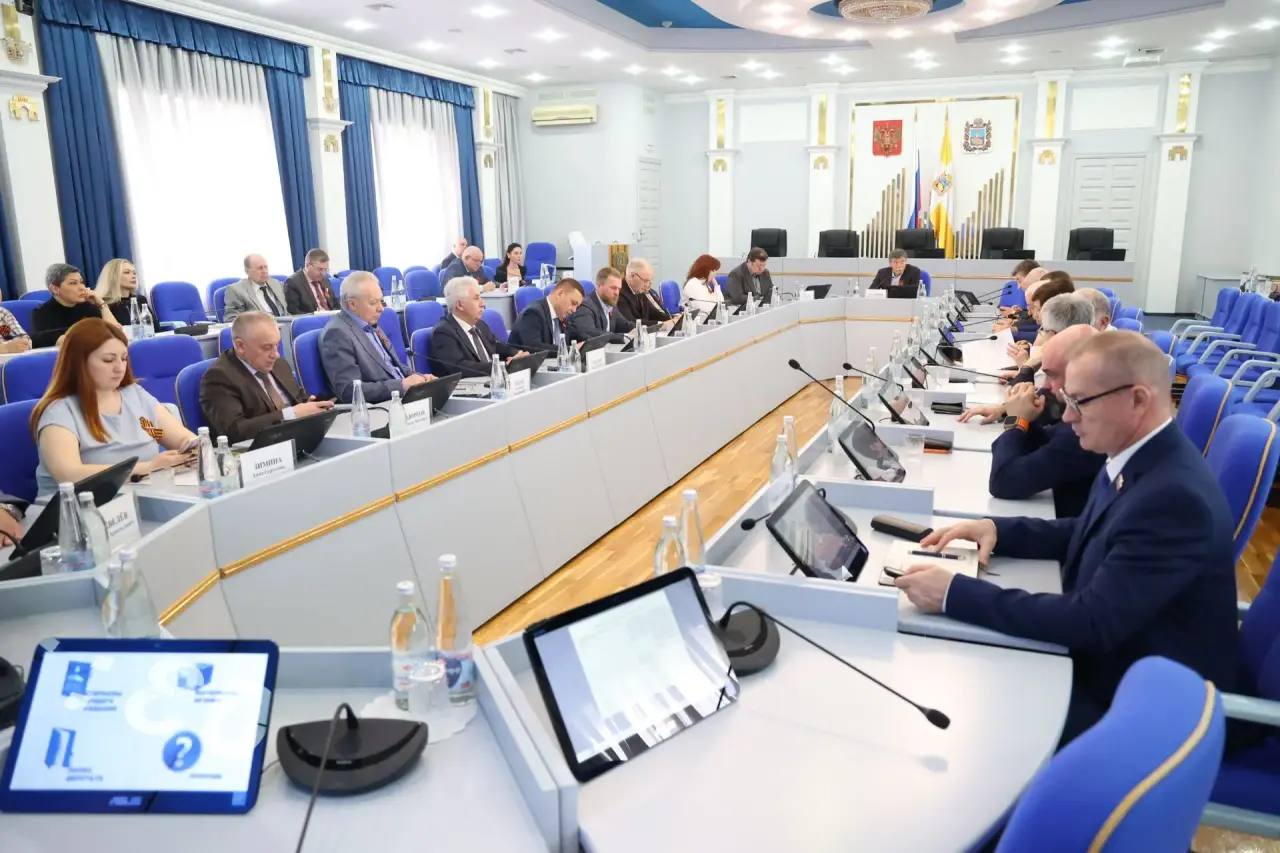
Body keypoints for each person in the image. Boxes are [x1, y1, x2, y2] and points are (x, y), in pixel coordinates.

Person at [896, 332, 1237, 743]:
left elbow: (1090, 621)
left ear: (1137, 400)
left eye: (1080, 402)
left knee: (963, 708)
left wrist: (954, 593)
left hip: (1146, 710)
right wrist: (998, 529)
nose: (1068, 417)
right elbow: (1091, 529)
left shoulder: (1175, 499)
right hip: (1115, 666)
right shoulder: (1140, 454)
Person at [29, 319, 197, 501]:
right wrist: (148, 467)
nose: (119, 367)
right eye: (108, 360)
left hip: (141, 498)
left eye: (124, 358)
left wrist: (192, 448)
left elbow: (165, 435)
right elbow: (70, 475)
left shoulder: (135, 396)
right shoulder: (59, 412)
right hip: (78, 509)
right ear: (79, 363)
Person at [988, 326, 1106, 518]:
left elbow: (1003, 481)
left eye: (1052, 375)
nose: (1045, 386)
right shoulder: (1082, 416)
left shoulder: (1085, 430)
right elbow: (1042, 444)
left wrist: (1016, 421)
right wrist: (1026, 417)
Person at [199, 312, 334, 444]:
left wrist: (311, 405)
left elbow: (299, 399)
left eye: (277, 345)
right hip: (260, 451)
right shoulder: (219, 378)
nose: (275, 354)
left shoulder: (278, 364)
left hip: (298, 438)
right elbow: (234, 431)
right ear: (240, 346)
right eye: (267, 347)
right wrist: (290, 414)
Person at [320, 272, 430, 404]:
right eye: (373, 303)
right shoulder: (337, 334)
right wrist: (401, 385)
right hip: (382, 405)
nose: (381, 309)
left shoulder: (368, 322)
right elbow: (349, 391)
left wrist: (421, 378)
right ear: (352, 304)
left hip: (403, 397)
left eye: (381, 301)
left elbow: (394, 367)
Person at [429, 276, 526, 377]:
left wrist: (517, 354)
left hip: (492, 379)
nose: (482, 304)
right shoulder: (443, 332)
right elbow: (460, 367)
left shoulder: (479, 324)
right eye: (476, 298)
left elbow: (495, 346)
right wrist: (501, 366)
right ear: (460, 305)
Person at [31, 263, 121, 348]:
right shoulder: (42, 312)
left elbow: (116, 333)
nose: (82, 287)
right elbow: (43, 340)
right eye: (73, 283)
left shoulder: (88, 306)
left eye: (81, 282)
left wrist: (101, 304)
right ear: (55, 289)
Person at [509, 278, 586, 351]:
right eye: (573, 303)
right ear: (560, 294)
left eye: (577, 306)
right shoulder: (532, 313)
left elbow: (576, 335)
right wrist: (569, 350)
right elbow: (535, 348)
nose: (574, 310)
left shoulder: (563, 314)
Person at [569, 267, 635, 344]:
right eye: (613, 288)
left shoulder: (610, 304)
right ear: (599, 285)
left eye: (619, 289)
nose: (617, 293)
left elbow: (624, 325)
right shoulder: (585, 306)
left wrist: (639, 328)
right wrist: (622, 337)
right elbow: (590, 333)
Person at [95, 258, 158, 333]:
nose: (133, 276)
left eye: (134, 273)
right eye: (127, 272)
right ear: (113, 276)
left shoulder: (141, 299)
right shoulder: (102, 303)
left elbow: (156, 329)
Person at [224, 254, 288, 321]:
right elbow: (232, 319)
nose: (264, 271)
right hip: (260, 326)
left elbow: (288, 310)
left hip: (286, 323)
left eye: (266, 267)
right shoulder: (236, 290)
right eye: (260, 268)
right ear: (247, 271)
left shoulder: (276, 284)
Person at [616, 258, 676, 328]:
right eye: (645, 281)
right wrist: (661, 324)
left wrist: (673, 319)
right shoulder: (619, 293)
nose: (648, 285)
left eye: (650, 281)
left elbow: (653, 313)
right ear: (632, 276)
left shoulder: (639, 289)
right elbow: (630, 322)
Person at [284, 249, 336, 314]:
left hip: (331, 317)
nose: (323, 273)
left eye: (325, 269)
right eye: (320, 269)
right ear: (308, 266)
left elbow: (335, 304)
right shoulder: (293, 283)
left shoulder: (325, 279)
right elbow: (294, 312)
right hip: (312, 318)